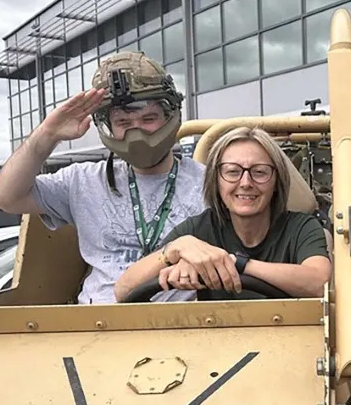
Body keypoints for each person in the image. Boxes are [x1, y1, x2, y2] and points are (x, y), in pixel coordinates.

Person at [0, 51, 206, 304]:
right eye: (123, 122)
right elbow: (5, 197)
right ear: (108, 127)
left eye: (149, 119)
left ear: (171, 117)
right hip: (97, 324)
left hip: (184, 327)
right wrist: (48, 134)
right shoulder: (81, 181)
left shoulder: (210, 182)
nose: (136, 132)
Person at [114, 126, 330, 302]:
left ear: (276, 181)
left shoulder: (301, 228)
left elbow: (320, 284)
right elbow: (123, 290)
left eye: (259, 172)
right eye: (232, 172)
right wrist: (177, 249)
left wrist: (236, 263)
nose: (246, 183)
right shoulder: (199, 229)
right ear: (215, 181)